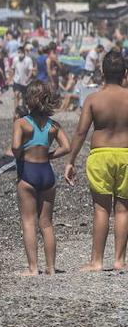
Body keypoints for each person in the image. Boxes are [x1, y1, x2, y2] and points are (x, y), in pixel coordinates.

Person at [63, 48, 128, 271]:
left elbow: (81, 132)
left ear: (101, 72)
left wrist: (70, 160)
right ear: (125, 74)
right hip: (126, 154)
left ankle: (97, 261)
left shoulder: (93, 99)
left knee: (101, 209)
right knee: (123, 209)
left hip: (100, 155)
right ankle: (119, 260)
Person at [12, 81, 72, 275]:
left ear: (28, 99)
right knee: (46, 223)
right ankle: (51, 268)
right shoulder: (53, 125)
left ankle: (33, 268)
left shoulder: (21, 123)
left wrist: (21, 154)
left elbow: (14, 147)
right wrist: (49, 155)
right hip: (47, 173)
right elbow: (67, 147)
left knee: (29, 221)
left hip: (28, 171)